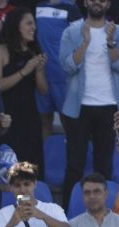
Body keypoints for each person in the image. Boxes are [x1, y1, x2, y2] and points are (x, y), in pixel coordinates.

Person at [58, 0, 119, 207]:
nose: (98, 2)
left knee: (104, 166)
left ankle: (106, 214)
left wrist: (110, 43)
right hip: (77, 107)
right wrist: (85, 43)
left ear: (108, 4)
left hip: (109, 106)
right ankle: (65, 214)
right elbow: (67, 66)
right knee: (74, 165)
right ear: (86, 2)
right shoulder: (71, 32)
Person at [0, 6, 48, 176]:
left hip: (30, 119)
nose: (34, 28)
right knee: (9, 173)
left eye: (34, 24)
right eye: (29, 23)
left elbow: (43, 90)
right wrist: (25, 70)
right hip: (7, 120)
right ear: (16, 25)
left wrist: (37, 70)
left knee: (31, 172)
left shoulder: (33, 52)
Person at [34, 0, 82, 139]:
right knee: (44, 119)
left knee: (67, 121)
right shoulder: (38, 6)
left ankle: (73, 158)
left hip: (63, 75)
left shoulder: (71, 8)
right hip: (42, 72)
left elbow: (80, 40)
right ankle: (46, 158)